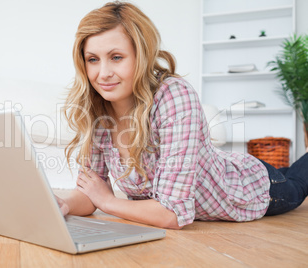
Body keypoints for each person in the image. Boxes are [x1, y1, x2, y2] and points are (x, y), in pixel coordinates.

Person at [55, 1, 308, 229]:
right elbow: (91, 193)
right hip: (220, 169)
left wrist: (108, 202)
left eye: (116, 57)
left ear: (141, 56)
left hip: (250, 190)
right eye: (93, 59)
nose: (103, 73)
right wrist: (60, 203)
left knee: (297, 182)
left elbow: (171, 214)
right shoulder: (97, 108)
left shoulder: (173, 95)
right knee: (288, 170)